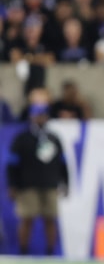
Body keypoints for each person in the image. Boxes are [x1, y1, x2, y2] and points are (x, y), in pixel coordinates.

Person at [5, 95, 69, 255]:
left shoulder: (53, 138)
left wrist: (65, 183)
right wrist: (13, 185)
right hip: (27, 185)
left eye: (43, 114)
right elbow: (12, 165)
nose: (40, 118)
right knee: (27, 219)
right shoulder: (22, 138)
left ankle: (50, 252)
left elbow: (63, 163)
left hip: (50, 184)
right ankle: (23, 251)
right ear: (32, 116)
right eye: (37, 114)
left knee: (50, 219)